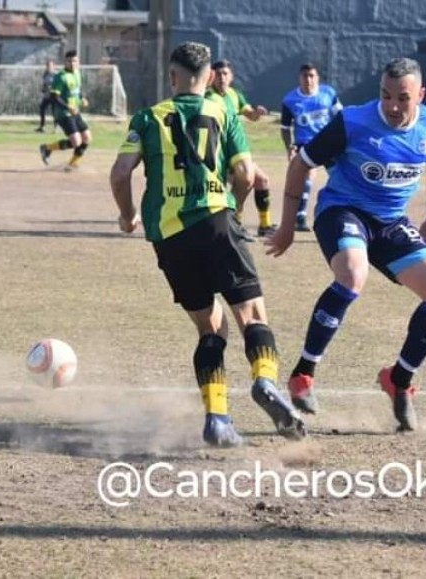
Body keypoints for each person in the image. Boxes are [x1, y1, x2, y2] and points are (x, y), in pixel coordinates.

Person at [110, 41, 306, 448]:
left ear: (172, 77)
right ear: (208, 79)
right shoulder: (224, 111)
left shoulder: (149, 117)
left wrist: (128, 214)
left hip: (169, 237)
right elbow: (246, 174)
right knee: (251, 315)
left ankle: (217, 418)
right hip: (217, 220)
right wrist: (233, 210)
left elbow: (120, 172)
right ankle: (265, 382)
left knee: (209, 327)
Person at [266, 57, 426, 432]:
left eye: (402, 98)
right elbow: (301, 164)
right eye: (386, 96)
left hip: (390, 223)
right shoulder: (352, 122)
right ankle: (303, 375)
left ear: (420, 95)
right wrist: (287, 227)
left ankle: (398, 380)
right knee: (353, 275)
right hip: (342, 209)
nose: (392, 105)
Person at [206, 59, 276, 238]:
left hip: (236, 149)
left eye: (225, 74)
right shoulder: (207, 97)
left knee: (262, 181)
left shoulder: (234, 94)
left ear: (231, 77)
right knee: (246, 180)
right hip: (221, 151)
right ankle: (233, 221)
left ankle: (264, 225)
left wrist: (257, 113)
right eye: (218, 74)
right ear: (211, 76)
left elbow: (250, 115)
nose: (222, 77)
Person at [280, 63, 342, 232]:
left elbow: (340, 117)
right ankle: (300, 216)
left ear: (317, 78)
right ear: (299, 78)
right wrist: (289, 147)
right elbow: (285, 128)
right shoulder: (290, 100)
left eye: (311, 76)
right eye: (304, 76)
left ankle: (342, 211)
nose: (308, 79)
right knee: (307, 174)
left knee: (340, 176)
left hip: (328, 141)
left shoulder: (328, 94)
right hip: (305, 143)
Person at [39, 50, 91, 172]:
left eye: (75, 61)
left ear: (78, 62)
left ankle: (71, 164)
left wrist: (82, 98)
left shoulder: (77, 73)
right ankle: (47, 148)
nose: (72, 63)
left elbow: (77, 90)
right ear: (65, 62)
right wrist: (68, 107)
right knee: (76, 141)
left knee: (87, 138)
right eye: (69, 61)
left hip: (75, 112)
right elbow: (54, 97)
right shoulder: (60, 77)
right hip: (63, 114)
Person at [35, 59, 55, 133]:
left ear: (53, 66)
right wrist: (43, 89)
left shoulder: (56, 75)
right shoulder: (45, 74)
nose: (48, 67)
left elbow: (58, 85)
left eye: (50, 66)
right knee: (42, 108)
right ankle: (42, 126)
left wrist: (52, 88)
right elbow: (44, 84)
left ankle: (56, 127)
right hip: (47, 96)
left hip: (54, 96)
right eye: (47, 66)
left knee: (55, 111)